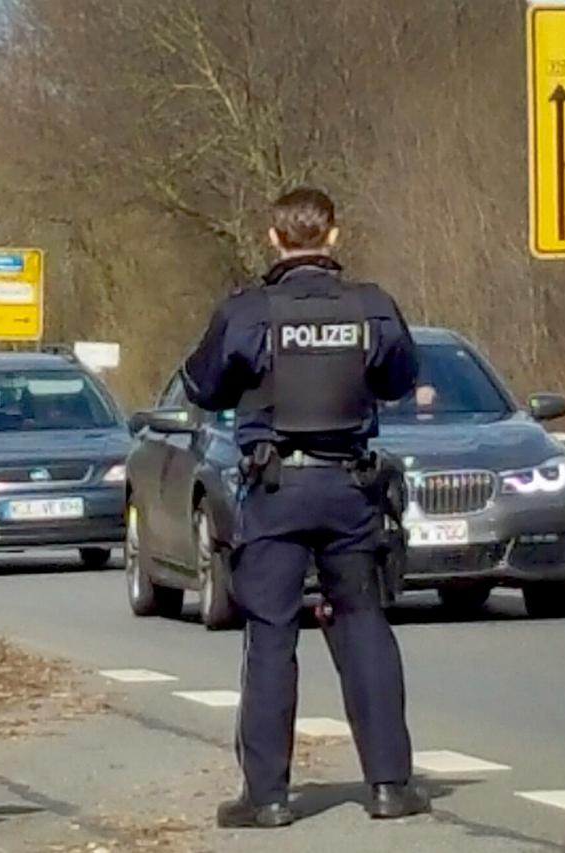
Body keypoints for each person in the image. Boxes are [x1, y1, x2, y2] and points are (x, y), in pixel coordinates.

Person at [181, 187, 431, 828]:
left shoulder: (249, 312)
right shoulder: (370, 309)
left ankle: (266, 797)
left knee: (270, 634)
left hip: (275, 489)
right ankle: (388, 786)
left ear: (274, 237)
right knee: (363, 624)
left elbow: (202, 386)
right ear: (335, 236)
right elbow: (400, 380)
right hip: (348, 488)